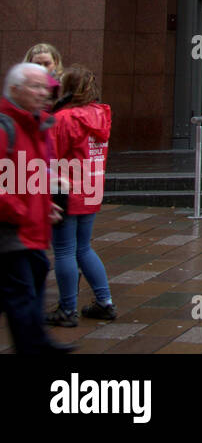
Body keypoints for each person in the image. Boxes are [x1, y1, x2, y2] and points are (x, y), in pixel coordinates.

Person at [0, 63, 73, 354]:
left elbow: (31, 175)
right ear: (15, 90)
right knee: (21, 292)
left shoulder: (37, 125)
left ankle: (36, 342)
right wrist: (20, 211)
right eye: (35, 86)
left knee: (31, 281)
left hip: (31, 228)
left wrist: (45, 206)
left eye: (45, 87)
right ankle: (35, 346)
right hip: (11, 229)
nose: (43, 92)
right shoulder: (6, 126)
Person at [46, 66, 115, 327]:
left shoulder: (64, 119)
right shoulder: (101, 114)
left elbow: (52, 157)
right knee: (84, 248)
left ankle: (67, 309)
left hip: (66, 189)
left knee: (64, 250)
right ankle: (105, 302)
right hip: (92, 188)